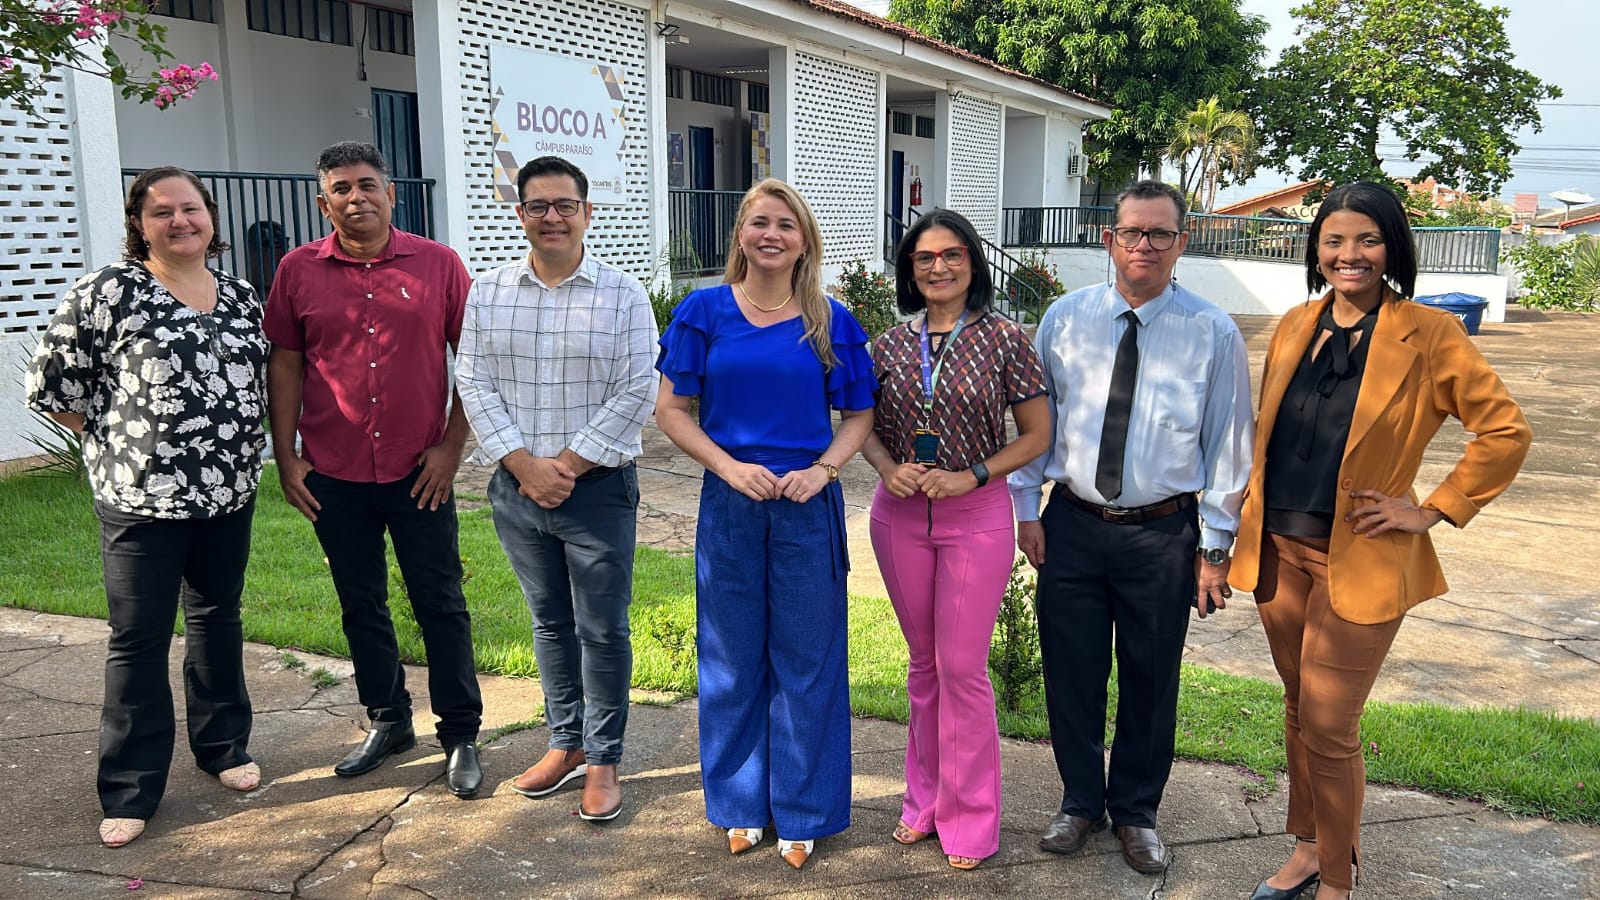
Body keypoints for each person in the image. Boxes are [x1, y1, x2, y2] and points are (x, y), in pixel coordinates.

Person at [1229, 182, 1531, 900]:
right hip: (1279, 553)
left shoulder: (1429, 334)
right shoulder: (1296, 325)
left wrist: (1431, 509)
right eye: (1334, 240)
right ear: (1317, 249)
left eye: (1366, 239)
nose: (1349, 254)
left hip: (1358, 557)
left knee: (1332, 722)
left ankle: (1338, 879)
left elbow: (1506, 430)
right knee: (1300, 710)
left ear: (1393, 246)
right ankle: (1306, 850)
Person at [1009, 179, 1253, 874]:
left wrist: (1214, 548)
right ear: (1108, 238)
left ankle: (1137, 812)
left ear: (1183, 242)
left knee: (1150, 680)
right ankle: (1080, 802)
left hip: (1162, 533)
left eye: (1160, 234)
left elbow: (1229, 445)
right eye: (1132, 232)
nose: (1144, 245)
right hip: (1075, 524)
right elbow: (1035, 425)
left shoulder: (1212, 332)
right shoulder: (1063, 318)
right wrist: (1028, 511)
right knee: (1072, 672)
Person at [26, 166, 268, 847]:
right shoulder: (110, 291)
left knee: (218, 618)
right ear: (140, 223)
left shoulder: (244, 298)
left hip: (228, 491)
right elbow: (56, 387)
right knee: (138, 639)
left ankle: (224, 747)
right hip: (139, 499)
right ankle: (131, 787)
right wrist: (125, 445)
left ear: (211, 218)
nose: (179, 221)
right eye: (162, 211)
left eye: (191, 208)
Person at [654, 179, 875, 869]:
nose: (771, 234)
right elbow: (671, 410)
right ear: (740, 236)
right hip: (732, 504)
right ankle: (741, 804)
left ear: (804, 239)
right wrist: (726, 467)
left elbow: (859, 415)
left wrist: (825, 470)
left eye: (785, 224)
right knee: (730, 657)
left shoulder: (829, 319)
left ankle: (806, 811)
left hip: (807, 508)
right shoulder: (703, 312)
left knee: (808, 661)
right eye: (758, 222)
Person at [264, 141, 484, 797]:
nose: (355, 197)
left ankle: (460, 733)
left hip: (421, 471)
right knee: (361, 604)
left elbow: (472, 360)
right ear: (322, 201)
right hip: (334, 472)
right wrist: (286, 456)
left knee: (439, 602)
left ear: (391, 194)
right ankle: (388, 721)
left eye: (367, 185)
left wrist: (451, 447)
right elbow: (286, 363)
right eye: (341, 188)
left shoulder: (439, 265)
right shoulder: (297, 270)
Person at [455, 156, 658, 822]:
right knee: (548, 623)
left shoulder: (623, 295)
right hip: (516, 491)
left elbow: (638, 388)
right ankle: (565, 742)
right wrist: (523, 464)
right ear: (519, 214)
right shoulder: (486, 291)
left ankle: (604, 758)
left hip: (596, 490)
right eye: (537, 205)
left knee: (600, 629)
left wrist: (563, 464)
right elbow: (473, 382)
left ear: (586, 213)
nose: (551, 217)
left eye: (563, 205)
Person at [860, 209, 1050, 871]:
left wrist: (973, 474)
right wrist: (889, 469)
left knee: (963, 669)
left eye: (952, 255)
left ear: (973, 262)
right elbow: (862, 424)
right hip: (901, 514)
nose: (938, 267)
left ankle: (971, 817)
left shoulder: (1005, 339)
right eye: (923, 257)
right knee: (923, 665)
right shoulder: (885, 345)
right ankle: (924, 802)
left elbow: (1035, 434)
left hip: (976, 515)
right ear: (910, 270)